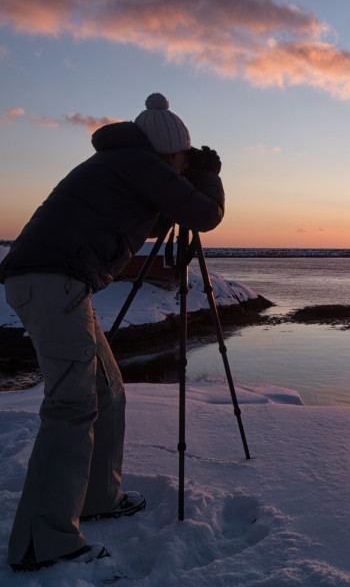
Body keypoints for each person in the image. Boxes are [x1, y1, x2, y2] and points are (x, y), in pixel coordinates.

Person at [0, 93, 225, 571]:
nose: (184, 163)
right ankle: (44, 543)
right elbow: (203, 214)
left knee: (108, 390)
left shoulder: (125, 165)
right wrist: (208, 175)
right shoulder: (136, 163)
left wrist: (188, 182)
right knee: (71, 407)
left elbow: (165, 213)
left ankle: (98, 497)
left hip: (54, 282)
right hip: (51, 282)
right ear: (169, 152)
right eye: (182, 157)